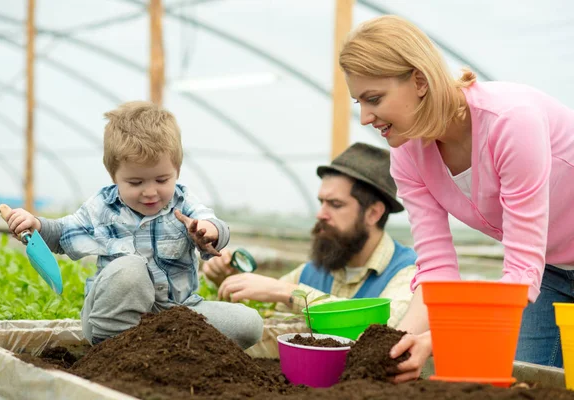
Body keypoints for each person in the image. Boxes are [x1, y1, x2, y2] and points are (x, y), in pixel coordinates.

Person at [339, 15, 574, 379]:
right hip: (552, 270)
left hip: (533, 271)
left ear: (419, 80)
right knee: (526, 380)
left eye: (374, 99)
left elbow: (520, 269)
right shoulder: (407, 153)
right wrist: (393, 344)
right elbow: (436, 270)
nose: (366, 116)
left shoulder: (511, 122)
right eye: (359, 101)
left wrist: (437, 341)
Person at [1, 101, 263, 349]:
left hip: (178, 315)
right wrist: (35, 224)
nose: (150, 192)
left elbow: (216, 226)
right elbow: (61, 233)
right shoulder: (102, 207)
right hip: (113, 318)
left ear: (177, 171)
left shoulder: (184, 204)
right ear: (114, 177)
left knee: (248, 324)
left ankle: (162, 349)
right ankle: (114, 348)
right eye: (136, 183)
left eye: (161, 180)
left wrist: (208, 231)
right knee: (131, 268)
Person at [203, 142, 418, 328]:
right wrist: (229, 280)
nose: (321, 214)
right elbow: (264, 318)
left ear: (373, 213)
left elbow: (383, 330)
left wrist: (292, 293)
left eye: (335, 204)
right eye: (321, 202)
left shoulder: (409, 274)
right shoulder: (313, 270)